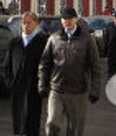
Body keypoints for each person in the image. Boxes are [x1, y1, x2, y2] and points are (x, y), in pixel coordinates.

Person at [38, 7, 101, 136]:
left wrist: (95, 90)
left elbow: (95, 66)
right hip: (57, 89)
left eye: (69, 18)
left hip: (78, 92)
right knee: (52, 124)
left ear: (75, 19)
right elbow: (44, 63)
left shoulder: (87, 39)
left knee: (75, 130)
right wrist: (42, 84)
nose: (66, 21)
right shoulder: (54, 38)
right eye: (64, 19)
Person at [4, 11, 48, 136]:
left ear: (36, 24)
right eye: (24, 23)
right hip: (17, 87)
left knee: (32, 119)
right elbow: (7, 65)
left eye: (29, 23)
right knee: (18, 119)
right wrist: (9, 83)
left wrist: (43, 85)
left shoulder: (43, 41)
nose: (26, 26)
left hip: (34, 88)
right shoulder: (15, 42)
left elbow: (47, 65)